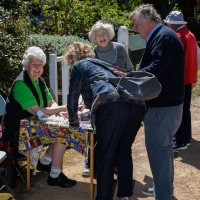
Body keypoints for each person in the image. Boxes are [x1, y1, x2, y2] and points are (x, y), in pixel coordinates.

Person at [112, 4, 185, 200]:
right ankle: (164, 192)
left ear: (147, 20)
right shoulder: (163, 35)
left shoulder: (163, 36)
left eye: (136, 24)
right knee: (163, 152)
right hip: (166, 106)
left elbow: (155, 68)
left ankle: (163, 196)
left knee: (159, 153)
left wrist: (129, 76)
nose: (135, 29)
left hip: (163, 108)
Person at [63, 42, 146, 200]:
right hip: (136, 105)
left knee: (105, 156)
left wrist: (73, 119)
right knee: (123, 151)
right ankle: (124, 195)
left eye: (70, 61)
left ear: (73, 57)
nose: (71, 64)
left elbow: (73, 95)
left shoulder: (79, 65)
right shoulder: (103, 64)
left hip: (112, 106)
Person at [0, 46, 76, 188]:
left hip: (33, 128)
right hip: (17, 135)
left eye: (40, 64)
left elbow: (50, 102)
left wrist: (59, 112)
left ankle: (46, 163)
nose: (37, 67)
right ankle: (54, 174)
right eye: (33, 64)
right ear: (27, 66)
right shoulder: (21, 84)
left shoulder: (39, 81)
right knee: (62, 131)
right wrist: (63, 108)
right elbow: (39, 112)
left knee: (63, 128)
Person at [81, 20, 135, 177]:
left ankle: (116, 163)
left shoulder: (120, 49)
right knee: (97, 132)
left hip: (120, 98)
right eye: (97, 35)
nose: (101, 37)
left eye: (104, 33)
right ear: (94, 38)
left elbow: (130, 70)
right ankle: (90, 163)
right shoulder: (92, 54)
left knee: (119, 132)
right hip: (100, 99)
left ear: (109, 35)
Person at [163, 11, 198, 150]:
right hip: (189, 77)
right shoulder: (191, 35)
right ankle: (186, 138)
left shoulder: (177, 36)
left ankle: (181, 141)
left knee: (178, 111)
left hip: (180, 78)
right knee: (185, 109)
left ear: (172, 24)